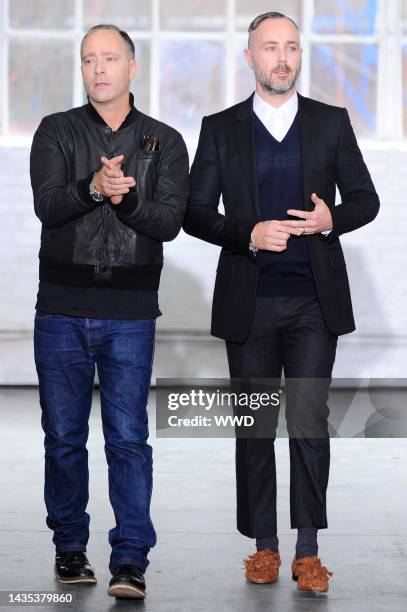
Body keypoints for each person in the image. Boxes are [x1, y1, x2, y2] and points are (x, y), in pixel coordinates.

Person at [183, 11, 379, 593]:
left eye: (291, 47)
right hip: (251, 301)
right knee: (255, 425)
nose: (282, 58)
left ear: (300, 56)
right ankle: (264, 546)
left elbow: (366, 200)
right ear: (250, 58)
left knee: (309, 421)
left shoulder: (330, 123)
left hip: (314, 302)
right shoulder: (220, 128)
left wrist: (330, 220)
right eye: (270, 48)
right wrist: (246, 232)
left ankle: (308, 550)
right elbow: (194, 214)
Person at [30, 24, 189, 600]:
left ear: (132, 67)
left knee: (127, 439)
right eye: (88, 60)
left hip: (130, 314)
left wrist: (127, 197)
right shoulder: (56, 130)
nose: (98, 69)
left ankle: (130, 559)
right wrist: (93, 187)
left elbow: (169, 223)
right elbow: (47, 206)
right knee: (64, 438)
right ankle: (70, 547)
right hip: (61, 311)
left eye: (110, 58)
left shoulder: (164, 141)